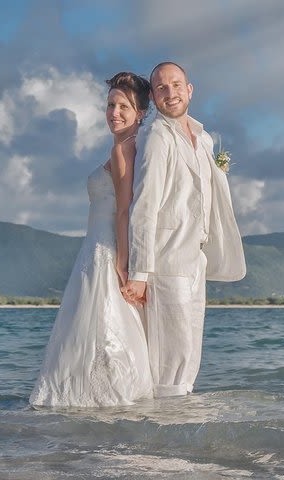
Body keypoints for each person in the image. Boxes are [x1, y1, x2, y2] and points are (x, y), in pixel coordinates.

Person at [121, 62, 246, 398]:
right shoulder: (157, 137)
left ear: (189, 90)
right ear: (154, 95)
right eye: (161, 87)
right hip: (166, 262)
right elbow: (144, 205)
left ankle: (180, 440)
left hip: (196, 261)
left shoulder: (204, 138)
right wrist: (140, 272)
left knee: (189, 358)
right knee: (170, 359)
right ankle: (162, 441)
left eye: (176, 85)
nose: (170, 92)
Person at [30, 72, 153, 407]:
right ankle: (105, 403)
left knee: (102, 330)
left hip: (107, 250)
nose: (114, 112)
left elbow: (125, 210)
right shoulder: (131, 147)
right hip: (96, 247)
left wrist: (123, 261)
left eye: (123, 106)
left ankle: (102, 401)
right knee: (100, 330)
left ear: (140, 112)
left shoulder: (125, 151)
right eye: (110, 104)